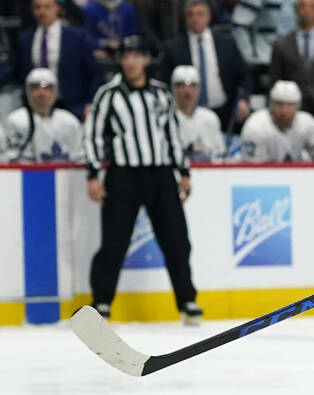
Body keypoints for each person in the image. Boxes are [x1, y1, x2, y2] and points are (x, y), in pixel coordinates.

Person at [83, 35, 201, 325]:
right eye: (126, 56)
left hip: (160, 174)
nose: (131, 61)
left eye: (136, 56)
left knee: (177, 240)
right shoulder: (108, 95)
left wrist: (183, 172)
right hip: (123, 174)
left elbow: (173, 135)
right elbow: (93, 135)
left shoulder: (161, 94)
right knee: (114, 241)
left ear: (145, 60)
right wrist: (93, 173)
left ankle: (187, 300)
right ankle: (101, 301)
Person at [159, 0, 252, 130]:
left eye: (200, 14)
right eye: (190, 15)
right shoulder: (173, 48)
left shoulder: (227, 43)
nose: (195, 19)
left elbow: (244, 75)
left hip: (224, 112)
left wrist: (244, 99)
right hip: (188, 114)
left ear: (208, 17)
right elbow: (163, 82)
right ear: (185, 19)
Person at [14, 0, 103, 120]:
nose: (42, 11)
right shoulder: (25, 39)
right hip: (35, 109)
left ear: (57, 8)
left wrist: (90, 103)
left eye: (47, 7)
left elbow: (95, 73)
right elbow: (17, 70)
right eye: (37, 7)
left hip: (71, 107)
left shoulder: (76, 37)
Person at [3, 68, 82, 162]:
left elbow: (78, 157)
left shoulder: (69, 121)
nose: (41, 93)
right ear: (28, 91)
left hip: (64, 175)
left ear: (55, 91)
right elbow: (8, 158)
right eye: (35, 87)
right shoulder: (16, 120)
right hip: (26, 175)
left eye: (47, 88)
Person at [237, 80, 314, 162]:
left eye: (289, 105)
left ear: (297, 107)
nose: (284, 111)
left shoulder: (307, 124)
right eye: (280, 104)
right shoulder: (255, 126)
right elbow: (254, 169)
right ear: (271, 104)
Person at [171, 65, 226, 162]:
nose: (187, 91)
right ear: (173, 88)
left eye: (192, 86)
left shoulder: (210, 118)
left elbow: (219, 153)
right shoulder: (167, 118)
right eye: (181, 85)